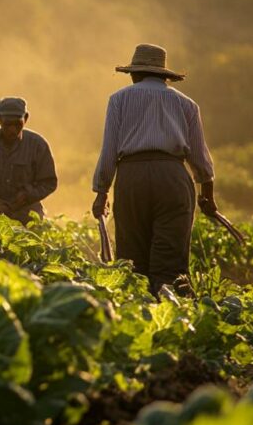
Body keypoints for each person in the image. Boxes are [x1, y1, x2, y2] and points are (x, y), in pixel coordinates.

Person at [91, 44, 219, 295]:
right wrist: (208, 195)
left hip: (131, 177)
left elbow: (108, 150)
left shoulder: (118, 99)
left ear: (134, 74)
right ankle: (170, 309)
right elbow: (200, 157)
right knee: (170, 258)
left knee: (132, 259)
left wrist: (101, 192)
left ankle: (137, 312)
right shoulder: (187, 104)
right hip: (172, 177)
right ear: (164, 76)